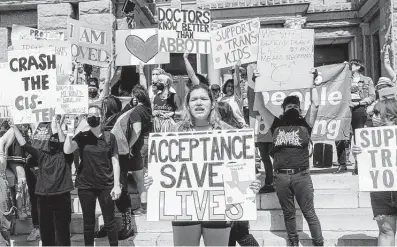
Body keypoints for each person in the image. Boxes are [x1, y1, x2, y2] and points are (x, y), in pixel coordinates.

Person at [144, 84, 261, 246]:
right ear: (188, 105)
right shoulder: (175, 132)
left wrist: (252, 182)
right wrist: (152, 179)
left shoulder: (228, 132)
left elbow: (243, 169)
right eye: (194, 99)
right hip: (183, 208)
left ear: (212, 103)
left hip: (218, 209)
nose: (199, 103)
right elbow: (160, 167)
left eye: (204, 98)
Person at [254, 69, 323, 246]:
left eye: (295, 106)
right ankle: (293, 242)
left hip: (302, 176)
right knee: (288, 213)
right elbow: (261, 107)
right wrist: (257, 84)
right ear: (283, 109)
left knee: (309, 213)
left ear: (299, 110)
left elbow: (315, 104)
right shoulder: (276, 123)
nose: (292, 108)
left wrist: (313, 83)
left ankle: (319, 242)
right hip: (281, 177)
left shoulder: (305, 123)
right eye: (289, 106)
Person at [64, 105, 122, 246]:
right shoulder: (82, 136)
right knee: (88, 223)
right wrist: (70, 132)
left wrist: (116, 185)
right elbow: (67, 150)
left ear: (101, 117)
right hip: (86, 185)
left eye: (95, 114)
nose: (92, 117)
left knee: (110, 221)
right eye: (89, 115)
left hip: (106, 184)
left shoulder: (110, 137)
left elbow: (115, 162)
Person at [12, 117, 73, 246]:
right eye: (51, 139)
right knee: (46, 235)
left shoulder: (66, 156)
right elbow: (24, 144)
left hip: (61, 197)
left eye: (55, 138)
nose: (53, 140)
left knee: (62, 234)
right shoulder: (41, 155)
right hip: (44, 199)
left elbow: (64, 141)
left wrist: (57, 125)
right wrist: (13, 126)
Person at [352, 99, 397, 246]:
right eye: (373, 114)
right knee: (385, 231)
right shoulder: (368, 136)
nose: (373, 117)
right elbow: (366, 165)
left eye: (378, 113)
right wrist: (357, 153)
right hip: (381, 190)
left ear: (390, 115)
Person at [334, 59, 375, 175]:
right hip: (344, 108)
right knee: (341, 135)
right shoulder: (344, 79)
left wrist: (358, 103)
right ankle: (342, 164)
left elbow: (372, 96)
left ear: (358, 66)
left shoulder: (367, 80)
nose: (350, 66)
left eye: (352, 64)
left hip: (359, 108)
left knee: (359, 137)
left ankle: (359, 164)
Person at [120, 85, 152, 216]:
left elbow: (137, 130)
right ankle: (145, 205)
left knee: (139, 178)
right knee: (143, 175)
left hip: (139, 146)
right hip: (147, 142)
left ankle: (144, 207)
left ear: (134, 96)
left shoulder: (136, 111)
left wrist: (128, 145)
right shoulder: (146, 109)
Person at [0, 123, 16, 246]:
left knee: (4, 221)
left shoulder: (1, 142)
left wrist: (13, 122)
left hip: (1, 185)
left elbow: (13, 130)